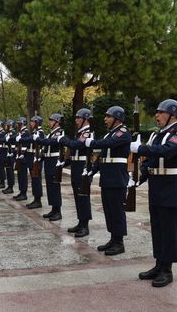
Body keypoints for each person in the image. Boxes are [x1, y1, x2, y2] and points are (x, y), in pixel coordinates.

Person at [130, 99, 177, 287]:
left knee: (169, 229)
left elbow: (166, 152)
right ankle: (158, 264)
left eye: (161, 113)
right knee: (157, 227)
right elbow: (150, 161)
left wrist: (140, 148)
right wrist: (139, 177)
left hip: (170, 185)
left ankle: (167, 269)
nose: (157, 116)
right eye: (157, 112)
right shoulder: (156, 135)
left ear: (173, 115)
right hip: (156, 184)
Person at [84, 106, 132, 256]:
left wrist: (91, 143)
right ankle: (113, 238)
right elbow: (103, 156)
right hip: (107, 177)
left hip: (117, 177)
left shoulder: (123, 132)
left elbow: (108, 144)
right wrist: (92, 170)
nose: (105, 119)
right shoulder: (109, 134)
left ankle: (119, 242)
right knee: (109, 209)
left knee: (117, 210)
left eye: (108, 117)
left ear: (117, 119)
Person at [58, 108, 94, 238]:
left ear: (85, 119)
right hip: (76, 165)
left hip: (83, 166)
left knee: (83, 195)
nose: (77, 120)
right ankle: (80, 222)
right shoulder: (80, 132)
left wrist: (64, 140)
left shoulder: (87, 132)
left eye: (79, 118)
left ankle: (85, 226)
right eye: (76, 118)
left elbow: (78, 145)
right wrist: (66, 161)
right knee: (78, 195)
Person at [35, 113, 64, 220]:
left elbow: (50, 143)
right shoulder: (51, 133)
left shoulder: (59, 132)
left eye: (52, 121)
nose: (50, 122)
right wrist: (40, 157)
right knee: (50, 187)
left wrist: (38, 139)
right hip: (48, 162)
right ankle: (53, 209)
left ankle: (58, 211)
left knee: (55, 187)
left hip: (54, 162)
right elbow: (46, 148)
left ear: (57, 122)